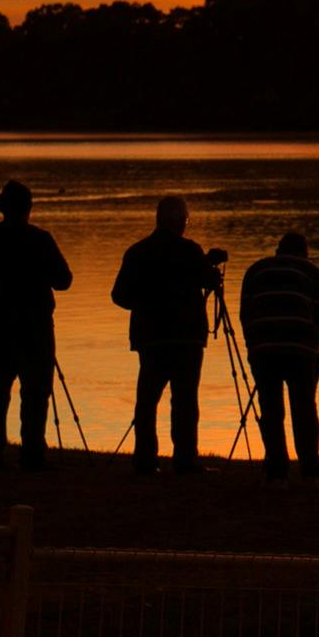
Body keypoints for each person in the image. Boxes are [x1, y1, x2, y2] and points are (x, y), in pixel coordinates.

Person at [0, 179, 73, 472]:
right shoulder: (40, 240)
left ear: (2, 206)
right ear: (29, 208)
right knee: (35, 393)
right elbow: (64, 280)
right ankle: (32, 454)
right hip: (35, 329)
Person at [110, 195, 222, 474]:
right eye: (185, 220)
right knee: (185, 401)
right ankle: (185, 460)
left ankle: (145, 459)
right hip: (186, 337)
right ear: (181, 221)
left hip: (151, 337)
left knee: (147, 399)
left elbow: (119, 295)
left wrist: (145, 303)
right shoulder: (190, 250)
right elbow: (209, 281)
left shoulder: (138, 252)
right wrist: (210, 270)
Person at [238, 231, 319, 486]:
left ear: (278, 250)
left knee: (270, 409)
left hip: (263, 348)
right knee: (304, 408)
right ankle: (311, 471)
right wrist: (313, 347)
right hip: (299, 349)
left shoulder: (255, 270)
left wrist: (253, 346)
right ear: (305, 253)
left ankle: (276, 471)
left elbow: (245, 313)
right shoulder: (314, 273)